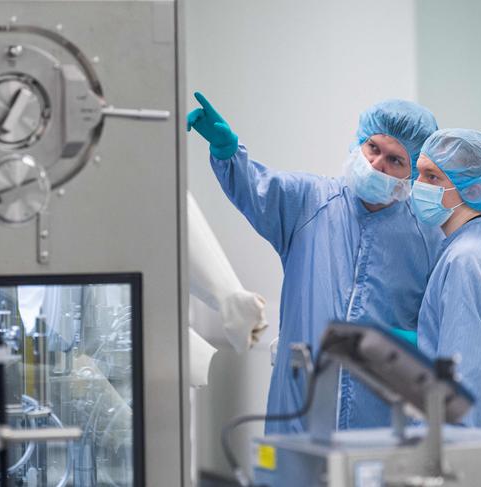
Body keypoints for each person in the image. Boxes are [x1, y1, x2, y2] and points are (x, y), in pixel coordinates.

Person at [187, 93, 443, 433]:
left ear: (412, 173)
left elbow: (438, 323)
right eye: (373, 148)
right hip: (300, 402)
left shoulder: (426, 237)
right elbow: (256, 187)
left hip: (381, 411)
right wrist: (227, 152)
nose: (377, 164)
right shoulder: (309, 202)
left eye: (395, 160)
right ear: (359, 143)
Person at [412, 128, 481, 430]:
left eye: (433, 177)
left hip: (472, 445)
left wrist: (446, 451)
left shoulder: (466, 258)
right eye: (419, 174)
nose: (418, 186)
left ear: (474, 189)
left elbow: (465, 376)